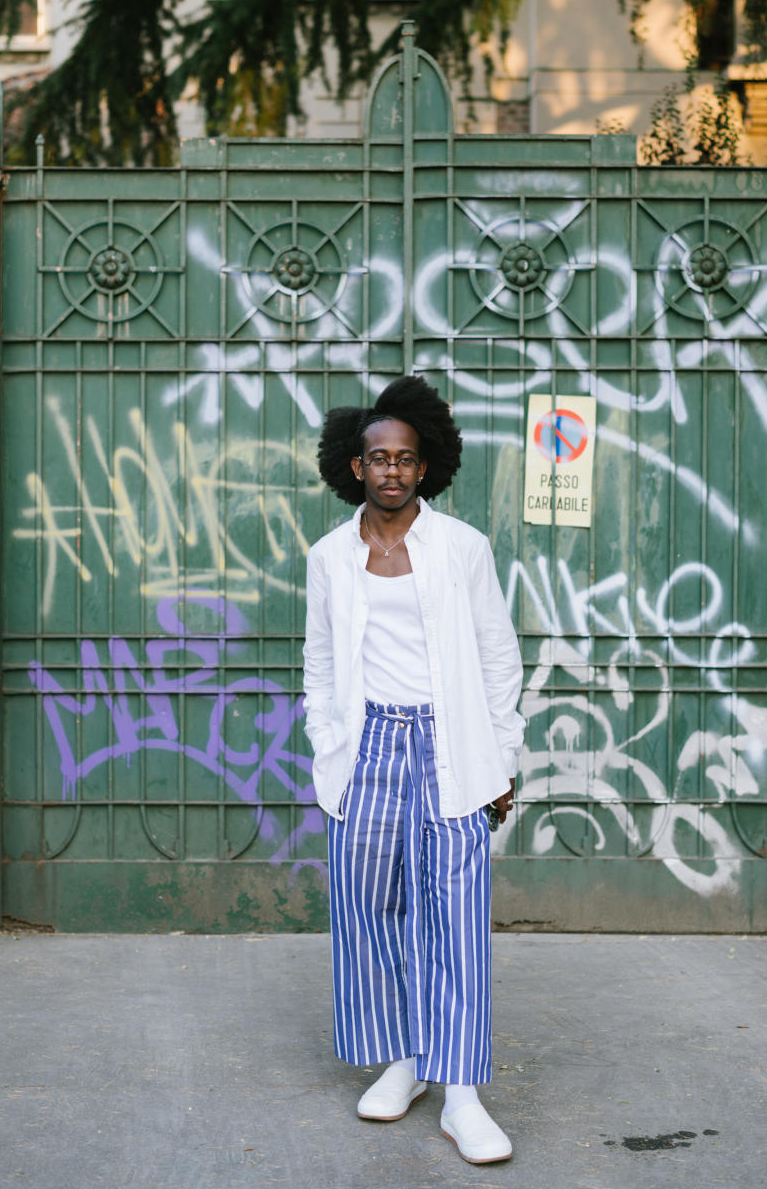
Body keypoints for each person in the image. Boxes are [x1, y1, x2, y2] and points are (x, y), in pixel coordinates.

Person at [303, 374, 525, 1165]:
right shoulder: (329, 556)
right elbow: (320, 663)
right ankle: (403, 1060)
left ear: (425, 467)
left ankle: (461, 1092)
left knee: (455, 916)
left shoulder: (462, 548)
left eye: (406, 458)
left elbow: (500, 656)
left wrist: (502, 757)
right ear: (354, 466)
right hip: (364, 754)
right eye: (378, 458)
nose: (392, 470)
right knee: (371, 911)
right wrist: (328, 746)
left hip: (452, 747)